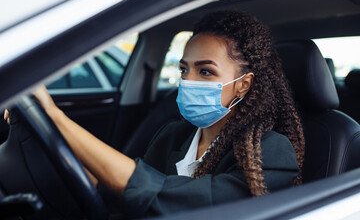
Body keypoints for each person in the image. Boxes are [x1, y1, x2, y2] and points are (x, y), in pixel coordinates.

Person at [5, 11, 305, 217]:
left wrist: (56, 117)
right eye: (184, 69)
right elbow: (119, 191)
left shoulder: (271, 151)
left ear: (243, 84)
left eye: (206, 71)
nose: (188, 81)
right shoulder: (173, 134)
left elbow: (167, 198)